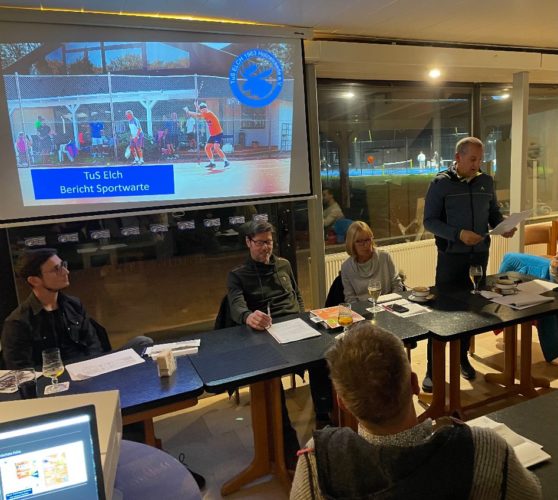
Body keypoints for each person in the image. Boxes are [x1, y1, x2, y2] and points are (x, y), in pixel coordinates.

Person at [290, 322, 542, 500]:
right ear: (413, 383)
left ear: (342, 402)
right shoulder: (484, 450)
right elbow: (532, 494)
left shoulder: (317, 463)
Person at [227, 221, 333, 464]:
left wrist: (304, 317)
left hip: (295, 327)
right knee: (271, 377)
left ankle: (325, 417)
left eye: (269, 242)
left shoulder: (284, 264)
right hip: (264, 333)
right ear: (248, 242)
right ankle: (286, 443)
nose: (266, 248)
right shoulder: (237, 275)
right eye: (260, 243)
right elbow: (236, 306)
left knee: (325, 355)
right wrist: (248, 316)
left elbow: (296, 295)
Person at [422, 136, 516, 392]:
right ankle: (432, 369)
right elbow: (429, 221)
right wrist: (458, 234)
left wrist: (503, 225)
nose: (477, 164)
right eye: (472, 159)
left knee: (471, 312)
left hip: (479, 257)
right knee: (442, 315)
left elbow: (493, 213)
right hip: (451, 258)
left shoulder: (486, 182)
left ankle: (462, 358)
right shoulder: (440, 184)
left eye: (480, 159)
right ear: (458, 157)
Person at [1, 248, 152, 369]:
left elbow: (94, 344)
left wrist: (96, 368)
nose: (66, 272)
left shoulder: (73, 304)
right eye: (56, 269)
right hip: (57, 381)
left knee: (142, 342)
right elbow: (22, 373)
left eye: (63, 265)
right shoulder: (17, 323)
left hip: (90, 368)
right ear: (34, 280)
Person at [340, 221, 404, 303]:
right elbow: (350, 298)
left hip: (388, 305)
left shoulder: (385, 257)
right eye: (359, 241)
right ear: (351, 244)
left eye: (367, 240)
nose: (365, 245)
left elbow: (397, 285)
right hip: (362, 308)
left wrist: (392, 303)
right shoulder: (346, 267)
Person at [186, 102, 229, 169]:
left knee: (216, 147)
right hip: (213, 135)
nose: (203, 110)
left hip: (218, 133)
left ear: (207, 108)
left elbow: (198, 114)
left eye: (204, 109)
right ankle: (212, 163)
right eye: (202, 110)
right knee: (207, 148)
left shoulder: (209, 113)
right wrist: (196, 106)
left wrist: (189, 112)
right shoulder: (204, 114)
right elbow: (200, 112)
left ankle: (226, 161)